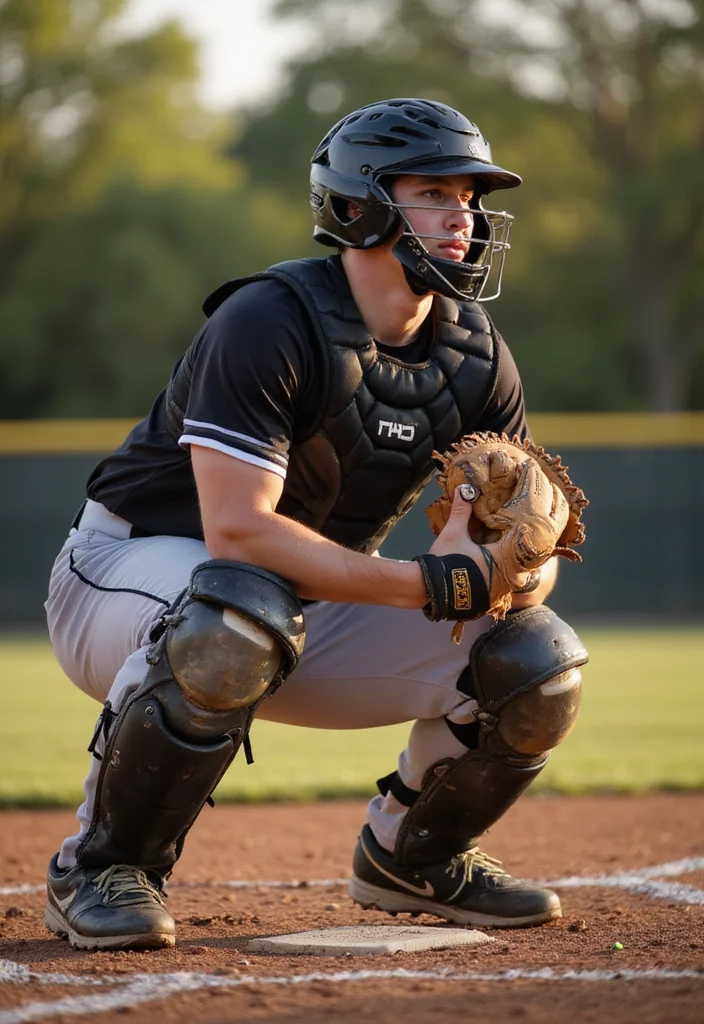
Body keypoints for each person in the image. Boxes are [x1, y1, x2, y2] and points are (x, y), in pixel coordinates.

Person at [44, 98, 587, 951]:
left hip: (295, 603)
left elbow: (527, 544)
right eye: (437, 190)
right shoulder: (269, 320)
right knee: (234, 614)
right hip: (120, 577)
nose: (465, 215)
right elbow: (238, 535)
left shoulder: (477, 356)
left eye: (472, 197)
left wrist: (510, 574)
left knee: (536, 662)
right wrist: (429, 584)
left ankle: (417, 855)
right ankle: (104, 866)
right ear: (360, 203)